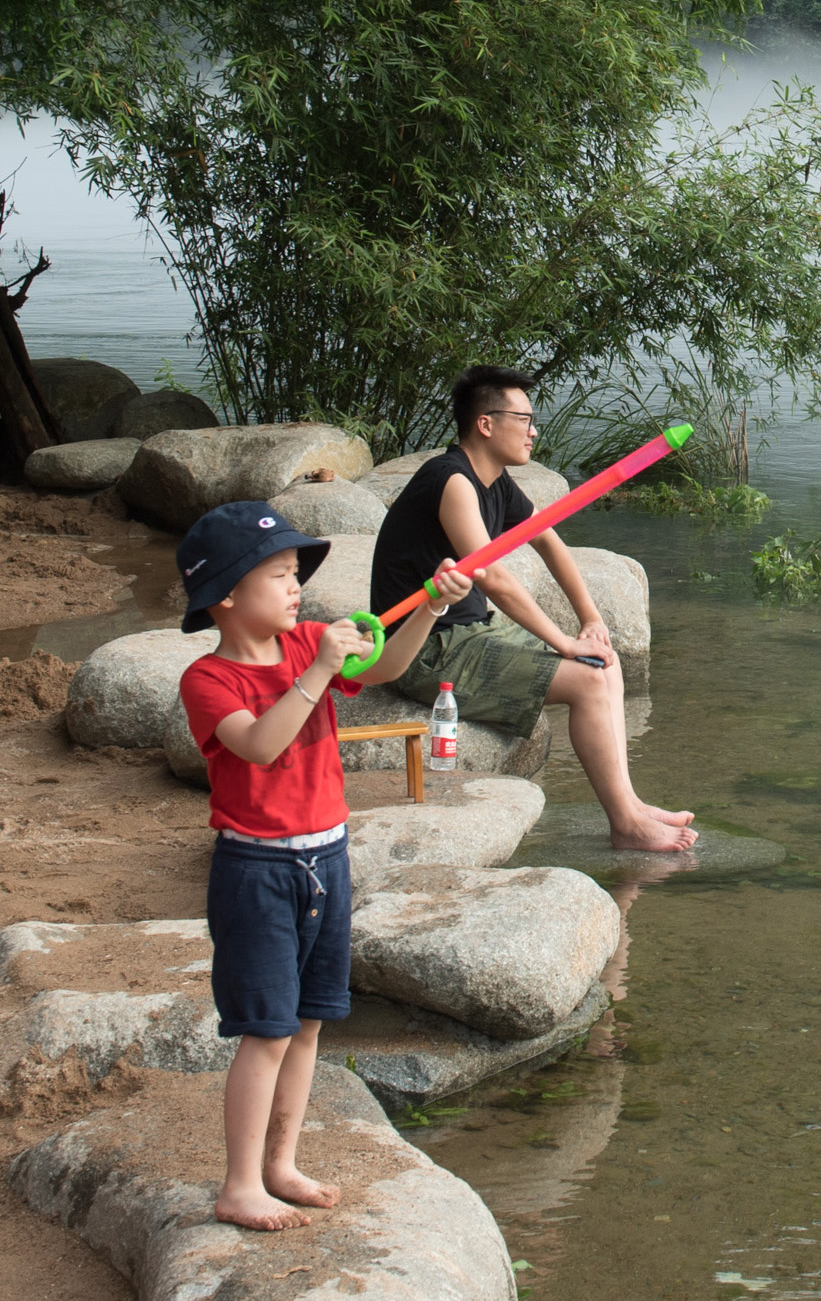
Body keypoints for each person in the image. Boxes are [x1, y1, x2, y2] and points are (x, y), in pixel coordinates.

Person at [175, 499, 472, 1230]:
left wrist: (429, 608)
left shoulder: (309, 639)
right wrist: (317, 670)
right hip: (257, 870)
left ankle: (281, 1162)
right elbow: (261, 744)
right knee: (267, 1028)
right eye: (277, 573)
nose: (295, 584)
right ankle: (240, 1181)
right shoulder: (208, 679)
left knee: (308, 1023)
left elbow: (388, 666)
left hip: (326, 858)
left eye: (294, 572)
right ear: (224, 595)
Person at [369, 364, 695, 852]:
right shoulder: (451, 479)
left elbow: (548, 539)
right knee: (587, 678)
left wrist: (592, 619)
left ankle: (629, 802)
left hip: (469, 633)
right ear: (485, 423)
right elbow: (492, 576)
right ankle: (625, 824)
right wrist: (562, 640)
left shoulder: (495, 481)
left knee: (604, 661)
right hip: (428, 648)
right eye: (523, 419)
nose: (534, 431)